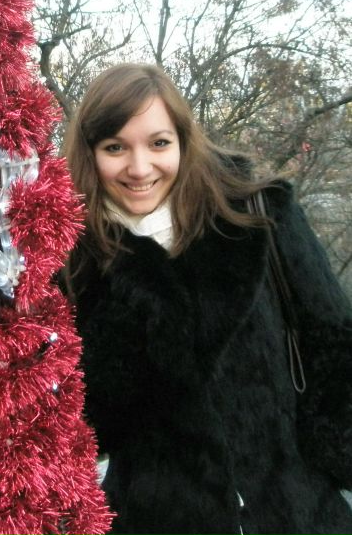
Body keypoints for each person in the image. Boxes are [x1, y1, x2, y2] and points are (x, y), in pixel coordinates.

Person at [63, 63, 352, 535]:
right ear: (91, 154)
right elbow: (91, 422)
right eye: (115, 147)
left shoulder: (259, 216)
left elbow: (335, 349)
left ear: (183, 141)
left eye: (159, 143)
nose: (140, 168)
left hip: (296, 513)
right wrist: (131, 277)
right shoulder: (76, 262)